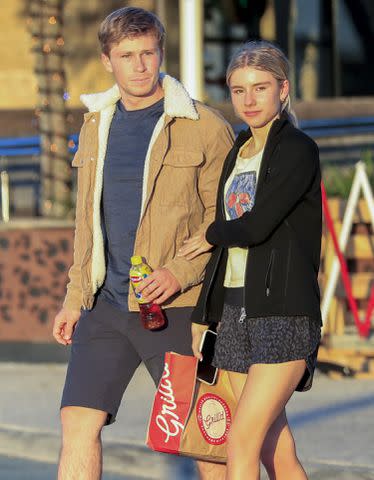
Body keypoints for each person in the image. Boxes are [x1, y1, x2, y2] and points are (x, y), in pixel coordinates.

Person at [52, 7, 234, 480]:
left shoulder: (203, 125)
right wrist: (75, 297)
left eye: (147, 53)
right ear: (107, 60)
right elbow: (88, 220)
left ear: (160, 54)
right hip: (106, 305)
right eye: (126, 55)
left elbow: (227, 217)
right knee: (77, 422)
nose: (139, 65)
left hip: (176, 308)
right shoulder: (96, 125)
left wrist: (179, 272)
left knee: (203, 437)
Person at [179, 40, 322, 479]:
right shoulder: (239, 150)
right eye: (239, 90)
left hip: (283, 312)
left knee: (241, 442)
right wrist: (209, 311)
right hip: (235, 309)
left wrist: (209, 233)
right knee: (275, 453)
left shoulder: (297, 149)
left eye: (260, 88)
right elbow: (230, 232)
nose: (249, 99)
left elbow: (255, 226)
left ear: (283, 89)